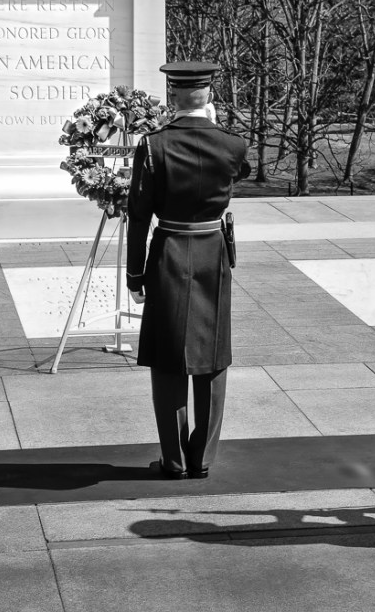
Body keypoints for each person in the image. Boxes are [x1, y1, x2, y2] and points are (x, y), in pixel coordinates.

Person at [126, 61, 250, 480]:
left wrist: (135, 274)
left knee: (168, 358)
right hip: (213, 252)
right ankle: (203, 457)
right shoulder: (233, 144)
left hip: (169, 252)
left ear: (173, 97)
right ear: (209, 95)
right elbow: (239, 173)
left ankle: (174, 459)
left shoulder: (153, 145)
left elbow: (139, 215)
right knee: (212, 356)